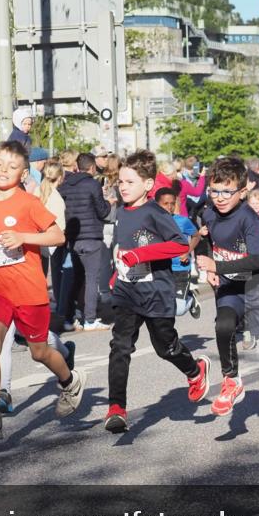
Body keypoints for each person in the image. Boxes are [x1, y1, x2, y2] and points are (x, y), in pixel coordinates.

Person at [0, 141, 86, 440]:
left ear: (23, 173)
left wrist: (22, 236)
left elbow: (58, 236)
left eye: (12, 166)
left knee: (39, 352)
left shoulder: (28, 203)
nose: (4, 170)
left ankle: (69, 381)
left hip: (29, 291)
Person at [104, 151, 211, 432]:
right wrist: (117, 275)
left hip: (155, 292)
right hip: (127, 292)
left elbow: (178, 244)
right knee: (120, 347)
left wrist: (141, 255)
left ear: (148, 185)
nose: (123, 186)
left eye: (129, 182)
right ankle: (116, 408)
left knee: (165, 347)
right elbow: (122, 249)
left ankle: (194, 370)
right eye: (121, 181)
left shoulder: (155, 212)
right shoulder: (121, 213)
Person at [194, 157, 259, 432]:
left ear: (242, 192)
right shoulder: (208, 213)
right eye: (214, 190)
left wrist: (217, 265)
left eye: (226, 192)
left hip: (258, 287)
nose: (219, 198)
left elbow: (256, 260)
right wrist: (206, 264)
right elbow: (205, 242)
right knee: (224, 325)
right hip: (230, 287)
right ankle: (231, 381)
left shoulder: (250, 220)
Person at [57, 153, 111, 331]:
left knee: (76, 278)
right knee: (91, 279)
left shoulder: (65, 185)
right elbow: (102, 211)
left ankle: (69, 317)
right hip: (92, 237)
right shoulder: (93, 184)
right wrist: (109, 202)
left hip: (73, 238)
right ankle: (90, 319)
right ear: (92, 167)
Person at [154, 187, 201, 319]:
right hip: (161, 269)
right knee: (164, 307)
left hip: (180, 267)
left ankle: (191, 299)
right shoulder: (152, 222)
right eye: (165, 203)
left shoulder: (183, 221)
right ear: (156, 204)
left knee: (179, 310)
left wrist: (187, 251)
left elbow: (196, 236)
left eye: (172, 203)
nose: (169, 207)